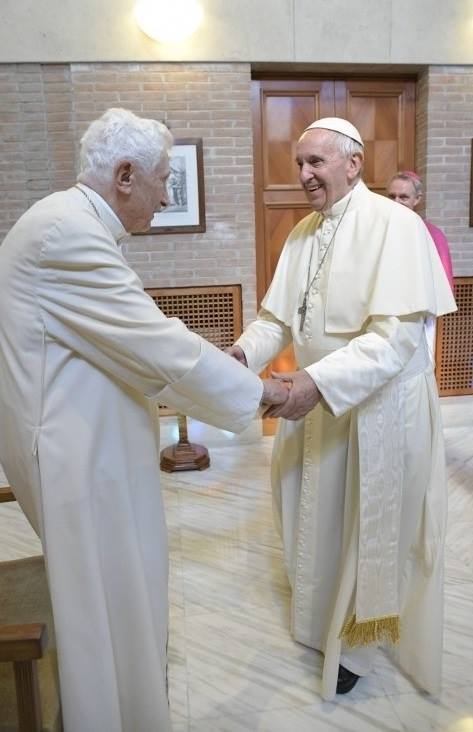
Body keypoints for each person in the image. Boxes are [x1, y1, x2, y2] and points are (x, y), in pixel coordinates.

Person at [0, 108, 289, 732]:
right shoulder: (66, 233)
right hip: (78, 462)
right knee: (105, 607)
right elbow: (156, 345)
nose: (165, 195)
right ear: (125, 175)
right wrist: (262, 393)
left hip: (88, 448)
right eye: (163, 180)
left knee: (120, 596)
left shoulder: (68, 221)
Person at [227, 117, 456, 700]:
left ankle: (356, 645)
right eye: (299, 163)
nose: (303, 174)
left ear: (353, 164)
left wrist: (314, 383)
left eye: (316, 162)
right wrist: (242, 354)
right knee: (311, 513)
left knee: (365, 531)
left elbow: (395, 341)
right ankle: (317, 624)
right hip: (313, 403)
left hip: (376, 409)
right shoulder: (303, 232)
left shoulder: (396, 227)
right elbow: (277, 319)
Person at [387, 170, 454, 357]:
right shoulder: (377, 229)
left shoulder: (433, 234)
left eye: (403, 197)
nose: (396, 202)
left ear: (417, 199)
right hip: (384, 309)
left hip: (418, 313)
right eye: (391, 196)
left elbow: (442, 281)